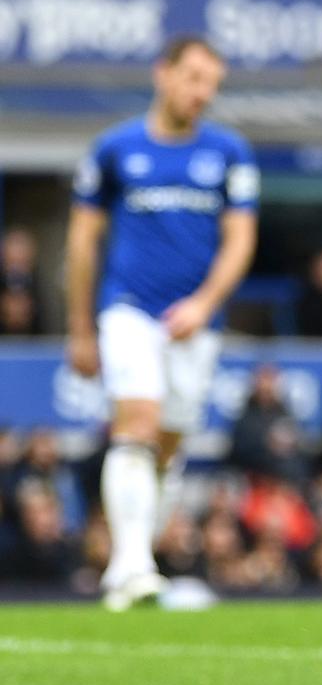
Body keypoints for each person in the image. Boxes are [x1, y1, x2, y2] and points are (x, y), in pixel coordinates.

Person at [65, 35, 259, 609]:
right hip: (128, 309)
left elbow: (240, 238)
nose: (202, 94)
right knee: (137, 423)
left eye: (212, 85)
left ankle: (129, 562)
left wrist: (204, 303)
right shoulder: (114, 149)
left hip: (195, 323)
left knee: (168, 447)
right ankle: (132, 566)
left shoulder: (229, 153)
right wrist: (81, 327)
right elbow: (82, 239)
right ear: (164, 73)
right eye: (194, 78)